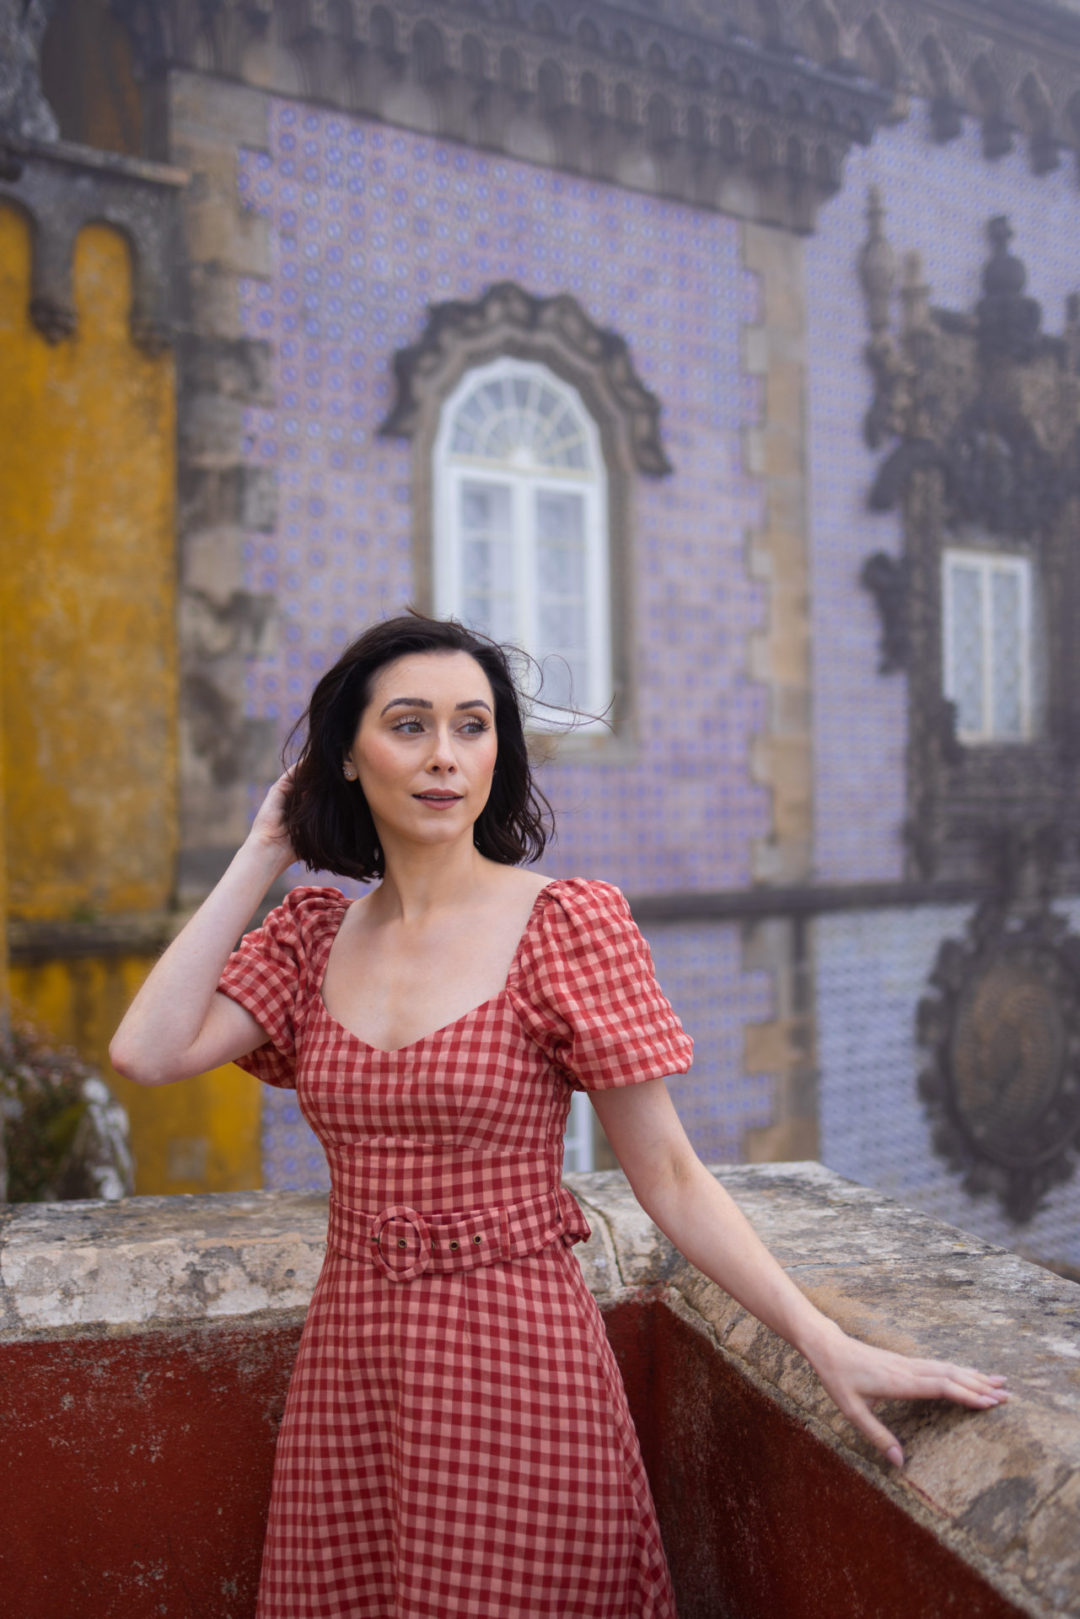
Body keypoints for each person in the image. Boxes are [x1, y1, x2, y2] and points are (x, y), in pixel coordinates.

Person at [111, 614, 1008, 1619]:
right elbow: (146, 1050)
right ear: (348, 757)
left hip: (519, 1363)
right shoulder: (311, 939)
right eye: (408, 725)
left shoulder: (565, 925)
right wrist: (263, 847)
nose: (446, 755)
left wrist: (818, 1335)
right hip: (354, 1373)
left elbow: (667, 1171)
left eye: (473, 725)